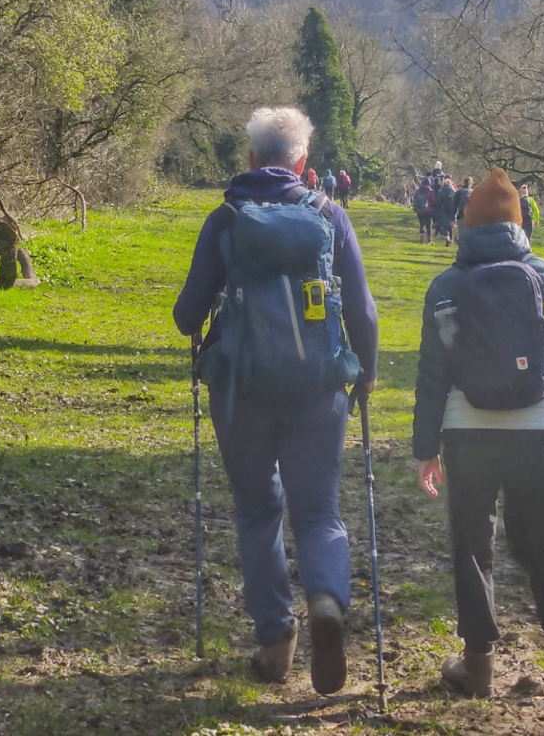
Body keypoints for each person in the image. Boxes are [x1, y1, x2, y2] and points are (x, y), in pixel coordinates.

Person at [173, 107, 378, 693]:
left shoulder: (225, 219)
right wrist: (364, 375)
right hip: (318, 390)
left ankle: (275, 640)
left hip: (241, 392)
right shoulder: (328, 214)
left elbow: (188, 313)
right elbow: (362, 309)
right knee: (319, 512)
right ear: (302, 163)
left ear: (250, 159)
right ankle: (327, 604)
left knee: (257, 511)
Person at [411, 168, 544, 715]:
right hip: (537, 425)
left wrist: (426, 447)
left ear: (466, 225)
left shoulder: (446, 287)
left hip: (466, 432)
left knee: (473, 546)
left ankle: (478, 665)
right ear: (520, 223)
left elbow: (431, 375)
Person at [435, 174, 458, 246]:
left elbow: (438, 202)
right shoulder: (454, 191)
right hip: (452, 210)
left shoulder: (441, 191)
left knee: (444, 226)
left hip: (443, 210)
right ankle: (451, 240)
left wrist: (437, 209)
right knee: (450, 226)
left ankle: (447, 237)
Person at [413, 176, 436, 244]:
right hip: (429, 211)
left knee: (422, 224)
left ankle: (421, 239)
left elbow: (415, 200)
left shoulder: (418, 191)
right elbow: (434, 201)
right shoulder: (431, 191)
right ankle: (429, 240)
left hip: (420, 211)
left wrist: (416, 209)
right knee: (429, 225)